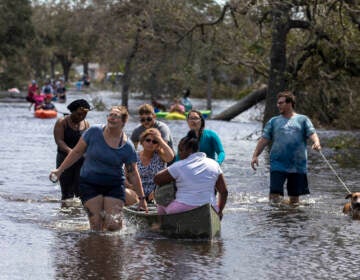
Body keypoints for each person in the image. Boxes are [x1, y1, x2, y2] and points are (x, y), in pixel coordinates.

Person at [50, 106, 148, 231]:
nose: (111, 118)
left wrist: (142, 198)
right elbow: (76, 152)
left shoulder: (127, 147)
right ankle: (96, 248)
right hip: (90, 183)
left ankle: (115, 246)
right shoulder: (93, 132)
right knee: (96, 226)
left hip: (114, 185)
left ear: (123, 122)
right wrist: (59, 170)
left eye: (116, 116)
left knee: (113, 226)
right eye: (110, 115)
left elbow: (133, 173)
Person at [251, 91, 321, 205]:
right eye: (278, 103)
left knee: (294, 201)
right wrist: (255, 155)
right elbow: (263, 140)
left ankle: (290, 220)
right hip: (278, 164)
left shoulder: (303, 120)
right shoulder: (273, 121)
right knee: (274, 196)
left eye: (281, 103)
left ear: (290, 103)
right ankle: (276, 218)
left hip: (297, 165)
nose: (278, 105)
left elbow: (312, 133)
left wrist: (316, 142)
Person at [154, 130, 228, 220]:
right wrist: (219, 211)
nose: (179, 154)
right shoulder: (214, 164)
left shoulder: (179, 166)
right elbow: (224, 192)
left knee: (161, 203)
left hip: (182, 209)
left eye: (180, 150)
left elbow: (157, 179)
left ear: (189, 150)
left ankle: (159, 226)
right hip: (210, 209)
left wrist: (173, 177)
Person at [53, 99, 91, 201]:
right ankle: (65, 215)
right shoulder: (62, 122)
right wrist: (71, 152)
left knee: (81, 193)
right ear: (72, 111)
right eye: (79, 114)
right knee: (67, 194)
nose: (81, 117)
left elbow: (88, 143)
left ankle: (78, 215)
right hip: (64, 159)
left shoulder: (86, 124)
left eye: (84, 115)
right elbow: (59, 141)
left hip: (81, 161)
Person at [126, 128, 174, 203]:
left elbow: (171, 157)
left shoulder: (161, 156)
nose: (151, 143)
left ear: (158, 145)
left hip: (156, 194)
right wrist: (130, 186)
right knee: (125, 192)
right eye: (148, 140)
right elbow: (124, 175)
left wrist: (159, 138)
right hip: (137, 194)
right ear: (142, 142)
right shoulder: (133, 156)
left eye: (155, 141)